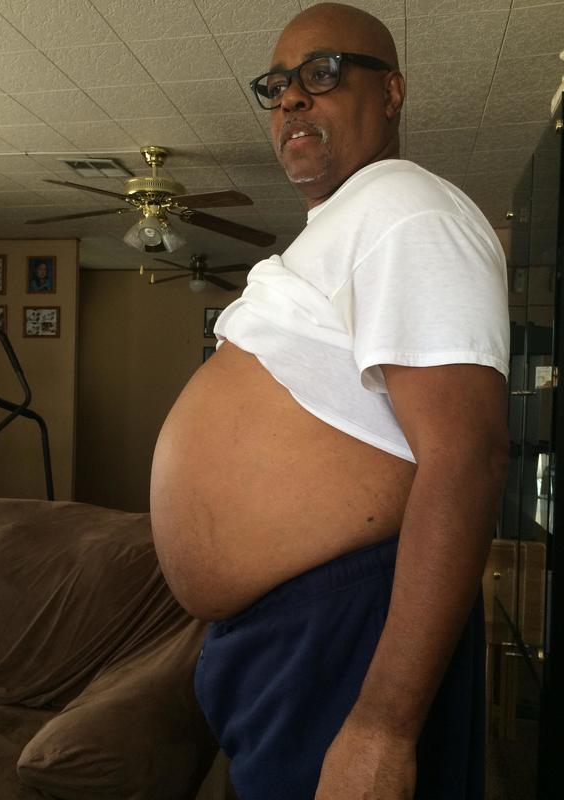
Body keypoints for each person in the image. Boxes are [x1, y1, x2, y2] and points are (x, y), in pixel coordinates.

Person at [150, 4, 510, 799]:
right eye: (277, 85)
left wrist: (384, 725)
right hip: (295, 632)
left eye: (322, 73)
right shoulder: (345, 229)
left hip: (348, 625)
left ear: (391, 92)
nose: (291, 99)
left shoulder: (406, 208)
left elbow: (469, 457)